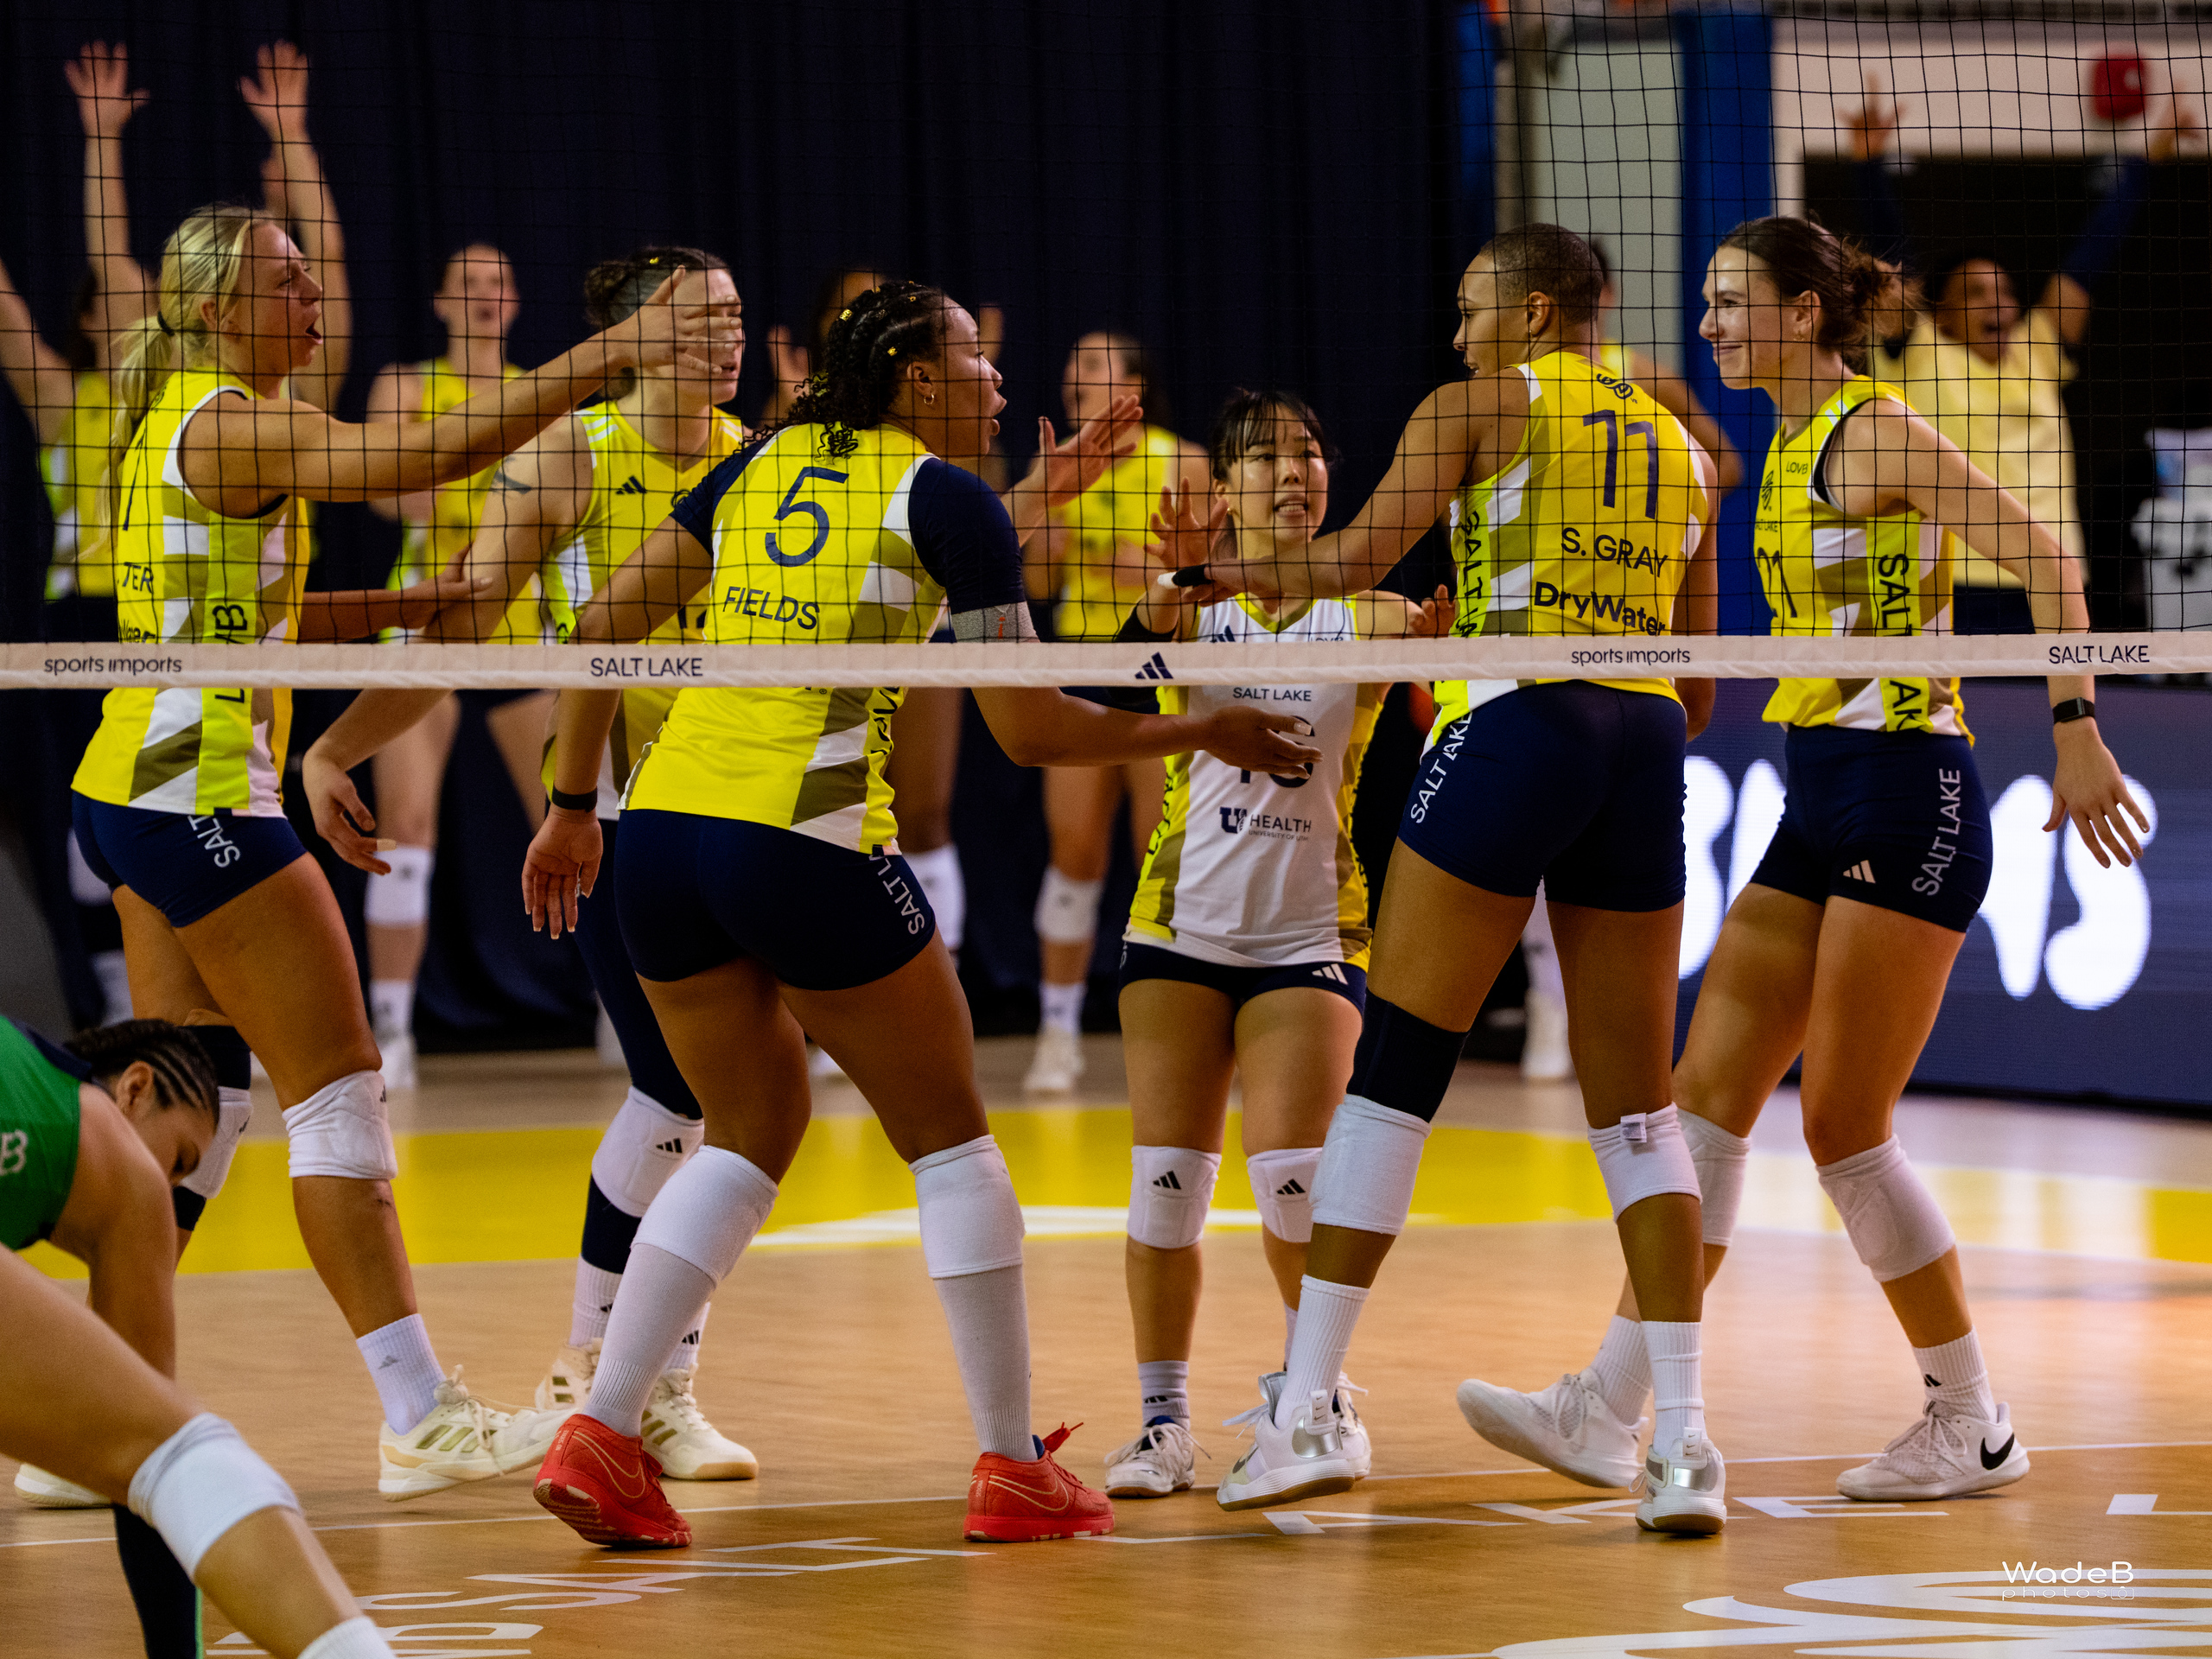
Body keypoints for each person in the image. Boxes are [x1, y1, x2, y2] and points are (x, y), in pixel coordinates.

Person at [503, 279, 1318, 1548]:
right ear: (917, 381)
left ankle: (604, 1427)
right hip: (805, 842)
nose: (1001, 379)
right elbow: (1032, 730)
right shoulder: (942, 500)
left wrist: (567, 805)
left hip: (659, 837)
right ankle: (1009, 1465)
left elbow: (603, 633)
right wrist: (1203, 723)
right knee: (952, 1147)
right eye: (977, 358)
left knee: (744, 1130)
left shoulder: (767, 463)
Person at [1456, 217, 2146, 1505]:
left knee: (1842, 1128)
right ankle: (1612, 1403)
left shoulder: (1877, 432)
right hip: (1815, 790)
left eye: (1730, 303)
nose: (1708, 326)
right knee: (1703, 1096)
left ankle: (1972, 1419)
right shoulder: (1777, 445)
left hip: (1909, 792)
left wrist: (2077, 730)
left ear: (1806, 316)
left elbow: (2050, 558)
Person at [67, 195, 719, 1500]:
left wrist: (400, 608)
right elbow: (417, 461)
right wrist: (611, 354)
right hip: (201, 795)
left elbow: (244, 608)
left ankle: (82, 1407)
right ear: (214, 309)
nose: (315, 300)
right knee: (340, 1094)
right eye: (289, 280)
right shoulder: (238, 414)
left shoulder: (182, 423)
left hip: (125, 787)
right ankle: (421, 1418)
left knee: (195, 1101)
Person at [1160, 224, 1727, 1532]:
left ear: (1535, 312)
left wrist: (1213, 574)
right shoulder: (1688, 451)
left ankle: (1304, 1415)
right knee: (1639, 1112)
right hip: (1641, 740)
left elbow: (1354, 564)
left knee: (1396, 1077)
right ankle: (1684, 1447)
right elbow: (1696, 692)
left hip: (1520, 722)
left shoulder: (1480, 402)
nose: (1458, 331)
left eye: (1473, 308)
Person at [303, 245, 758, 1482]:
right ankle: (610, 1377)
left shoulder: (754, 451)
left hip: (742, 801)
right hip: (613, 809)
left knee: (710, 1103)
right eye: (699, 317)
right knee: (687, 1094)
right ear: (628, 334)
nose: (726, 335)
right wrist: (336, 745)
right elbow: (465, 622)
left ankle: (641, 1381)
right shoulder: (566, 451)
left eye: (734, 316)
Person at [1100, 389, 1452, 1499]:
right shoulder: (1190, 611)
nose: (1291, 474)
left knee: (1296, 1182)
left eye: (1307, 455)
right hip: (1177, 927)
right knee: (1165, 1189)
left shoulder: (1377, 618)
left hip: (1308, 935)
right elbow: (1110, 680)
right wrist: (1170, 588)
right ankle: (1163, 1424)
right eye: (1262, 460)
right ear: (1225, 490)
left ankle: (1315, 1400)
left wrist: (1444, 674)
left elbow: (1458, 705)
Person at [3, 1017, 402, 1659]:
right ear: (135, 1088)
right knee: (175, 1450)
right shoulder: (118, 1159)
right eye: (181, 1159)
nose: (169, 1190)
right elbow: (151, 1460)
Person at [1843, 73, 2199, 632]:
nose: (2000, 304)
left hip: (2051, 572)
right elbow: (1897, 268)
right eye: (1978, 294)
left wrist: (2147, 161)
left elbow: (2089, 258)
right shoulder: (1917, 351)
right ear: (1939, 311)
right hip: (1951, 577)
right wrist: (1869, 168)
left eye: (2007, 291)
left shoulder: (2036, 348)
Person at [359, 242, 548, 1089]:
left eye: (496, 283)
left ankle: (635, 1008)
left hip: (522, 622)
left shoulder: (544, 391)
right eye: (465, 283)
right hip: (424, 617)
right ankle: (391, 1027)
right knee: (405, 822)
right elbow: (388, 491)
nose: (482, 295)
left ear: (513, 305)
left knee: (574, 817)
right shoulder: (404, 385)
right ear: (440, 302)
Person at [1021, 333, 1210, 1094]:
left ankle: (1173, 1031)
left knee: (1155, 855)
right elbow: (1037, 577)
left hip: (1160, 670)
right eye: (1071, 365)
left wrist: (1157, 574)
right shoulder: (1062, 463)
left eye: (1094, 366)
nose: (1075, 376)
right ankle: (1056, 1031)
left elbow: (1207, 578)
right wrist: (1058, 519)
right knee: (1075, 851)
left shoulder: (1182, 460)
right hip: (1081, 665)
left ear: (1134, 384)